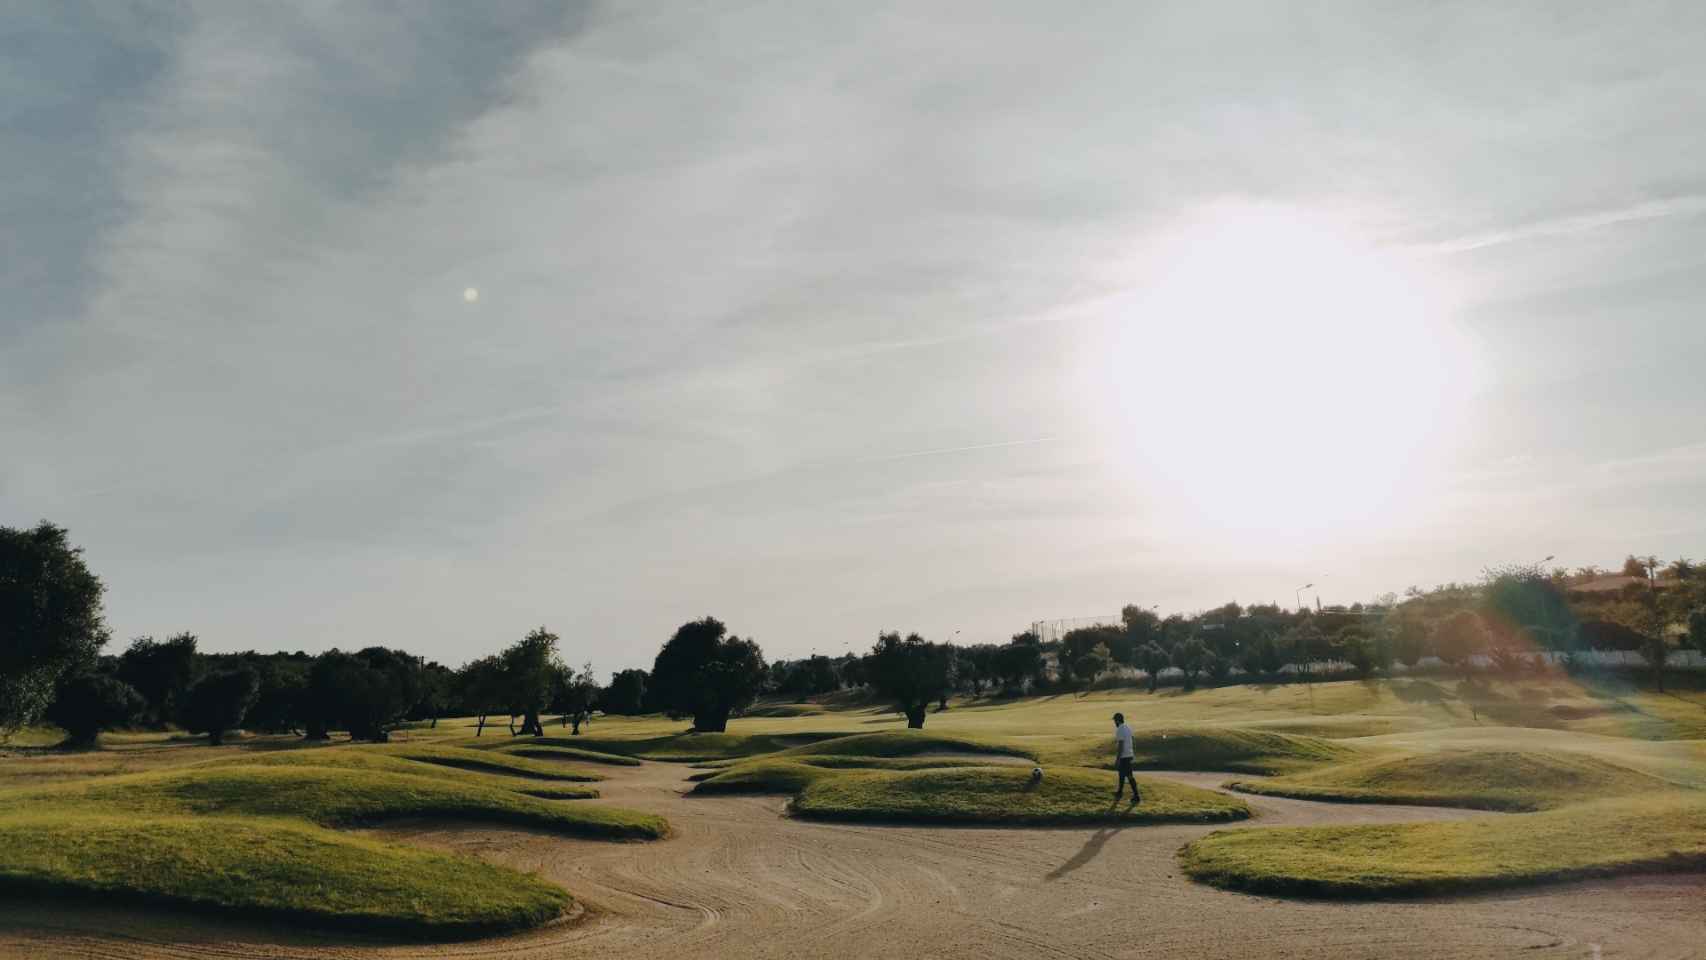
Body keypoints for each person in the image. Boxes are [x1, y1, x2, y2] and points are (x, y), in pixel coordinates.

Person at [1112, 712, 1140, 803]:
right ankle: (1119, 792)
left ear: (1117, 720)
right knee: (1121, 774)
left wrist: (1117, 759)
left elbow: (1121, 745)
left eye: (1115, 720)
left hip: (1124, 756)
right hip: (1129, 754)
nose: (1114, 723)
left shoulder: (1120, 729)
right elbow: (1133, 739)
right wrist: (1133, 753)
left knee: (1129, 775)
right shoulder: (1128, 727)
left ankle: (1136, 796)